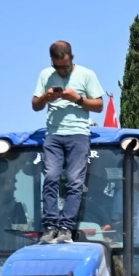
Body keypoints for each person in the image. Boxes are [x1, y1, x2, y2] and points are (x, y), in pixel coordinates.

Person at [32, 41, 105, 244]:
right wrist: (46, 97)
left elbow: (99, 105)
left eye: (65, 67)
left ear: (72, 58)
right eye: (58, 67)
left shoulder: (87, 75)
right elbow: (35, 105)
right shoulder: (45, 75)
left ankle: (66, 228)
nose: (61, 71)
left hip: (78, 134)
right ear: (52, 63)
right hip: (53, 135)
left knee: (74, 181)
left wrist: (78, 99)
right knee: (51, 178)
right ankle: (50, 227)